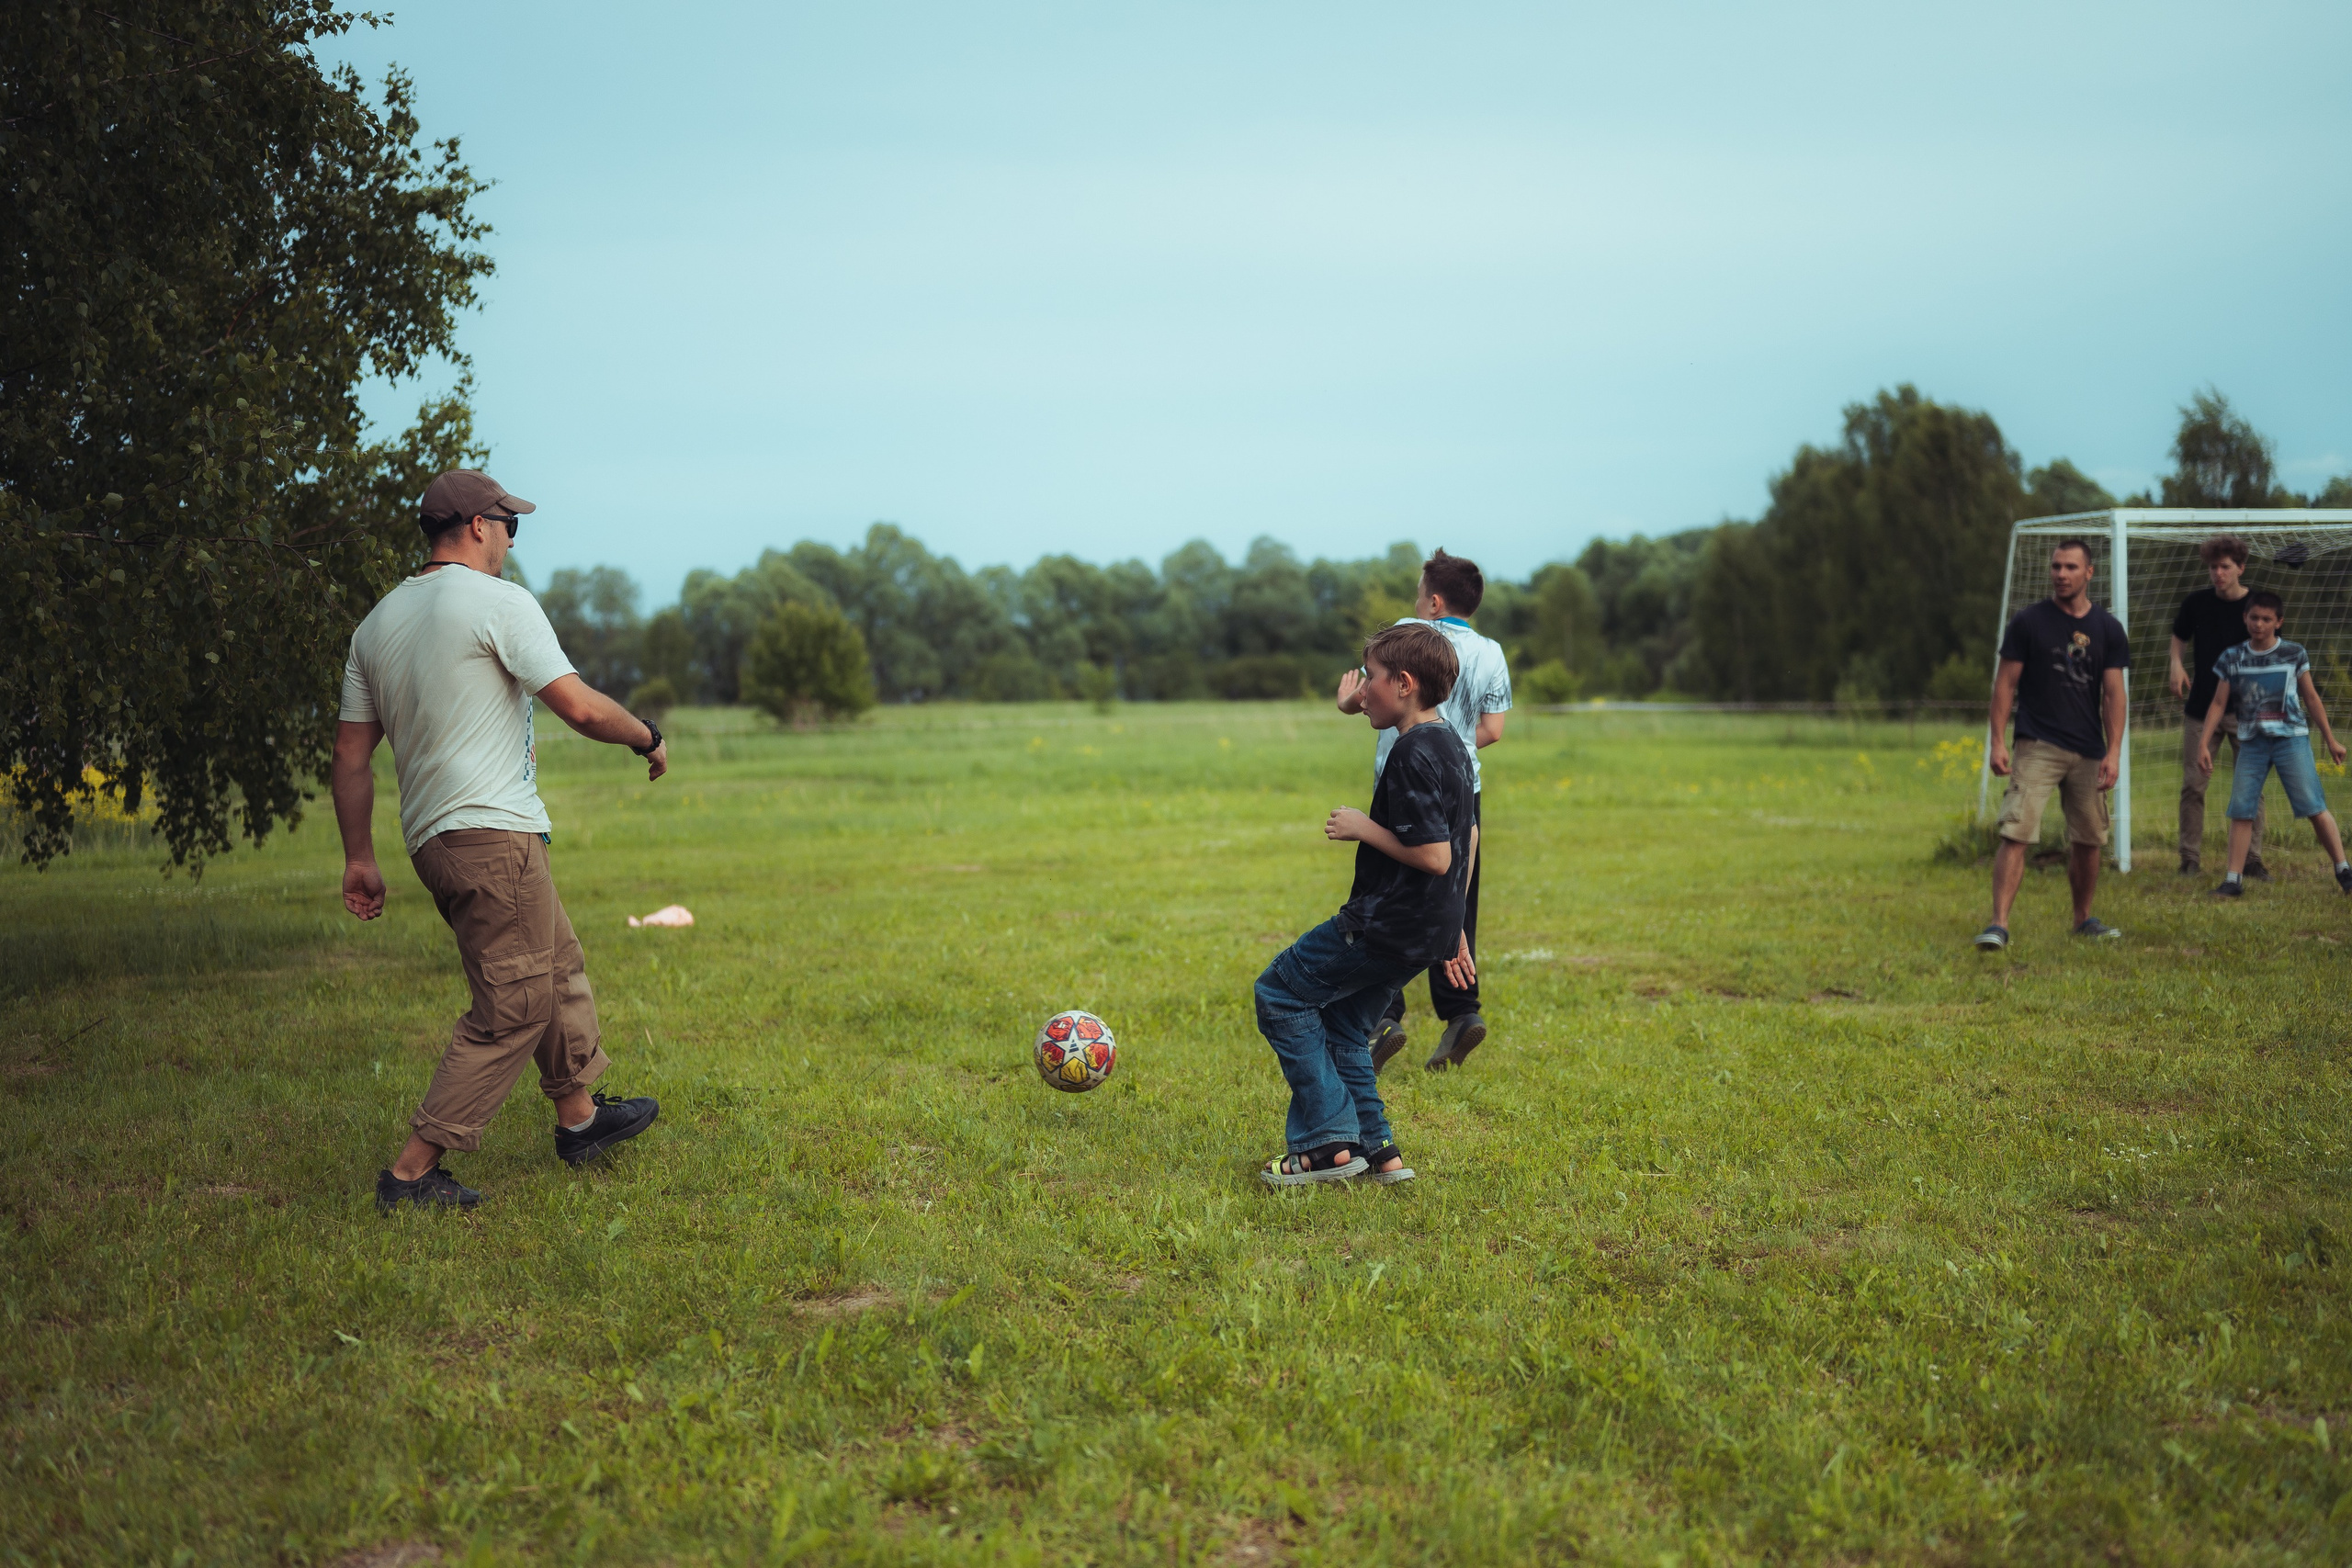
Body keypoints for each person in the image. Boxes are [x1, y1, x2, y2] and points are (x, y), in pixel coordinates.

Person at [334, 469, 670, 1212]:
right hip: (490, 829)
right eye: (509, 524)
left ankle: (580, 1119)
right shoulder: (498, 603)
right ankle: (413, 1173)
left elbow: (352, 757)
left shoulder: (378, 624)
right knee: (513, 1003)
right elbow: (578, 706)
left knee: (552, 965)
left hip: (435, 838)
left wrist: (360, 855)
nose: (513, 539)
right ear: (479, 526)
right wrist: (648, 735)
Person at [1258, 623, 1476, 1188]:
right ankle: (1380, 1153)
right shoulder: (1450, 741)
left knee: (1279, 993)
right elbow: (1467, 838)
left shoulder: (1408, 753)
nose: (1363, 691)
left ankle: (1328, 1143)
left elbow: (1433, 855)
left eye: (1372, 679)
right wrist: (1454, 925)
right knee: (1347, 1027)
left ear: (1403, 683)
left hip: (1384, 925)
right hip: (1424, 931)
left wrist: (1364, 828)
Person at [1333, 548, 1510, 1073]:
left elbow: (1371, 691)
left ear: (1434, 601)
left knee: (1385, 897)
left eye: (1418, 593)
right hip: (1463, 785)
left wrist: (1349, 705)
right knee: (1453, 898)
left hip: (1404, 783)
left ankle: (1383, 1013)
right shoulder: (1493, 651)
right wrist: (1452, 750)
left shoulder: (1410, 634)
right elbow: (1494, 731)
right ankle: (1462, 1011)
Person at [1974, 538, 2130, 951]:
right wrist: (1997, 741)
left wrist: (2113, 752)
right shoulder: (2029, 622)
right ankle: (1998, 925)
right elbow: (2004, 685)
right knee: (2016, 832)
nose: (2061, 574)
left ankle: (2083, 919)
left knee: (2089, 838)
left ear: (2089, 573)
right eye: (2056, 567)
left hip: (2088, 749)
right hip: (2037, 743)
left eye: (2071, 568)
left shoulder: (2108, 629)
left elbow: (2114, 695)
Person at [2195, 591, 2352, 898]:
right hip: (2252, 743)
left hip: (2290, 740)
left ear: (2279, 622)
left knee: (2314, 806)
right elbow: (2217, 702)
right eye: (2254, 617)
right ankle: (2232, 880)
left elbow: (2311, 698)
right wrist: (2203, 743)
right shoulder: (2232, 657)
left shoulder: (2293, 653)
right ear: (2245, 618)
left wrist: (2330, 739)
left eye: (2267, 619)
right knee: (2241, 808)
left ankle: (2344, 871)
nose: (2259, 624)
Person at [2168, 534, 2267, 876]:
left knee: (2251, 786)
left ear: (2241, 567)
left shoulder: (2258, 607)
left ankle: (2251, 860)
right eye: (2212, 567)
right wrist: (2176, 663)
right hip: (2201, 708)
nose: (2218, 573)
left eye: (2224, 567)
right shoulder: (2196, 603)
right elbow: (2179, 635)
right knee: (2194, 784)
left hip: (2248, 711)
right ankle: (2189, 858)